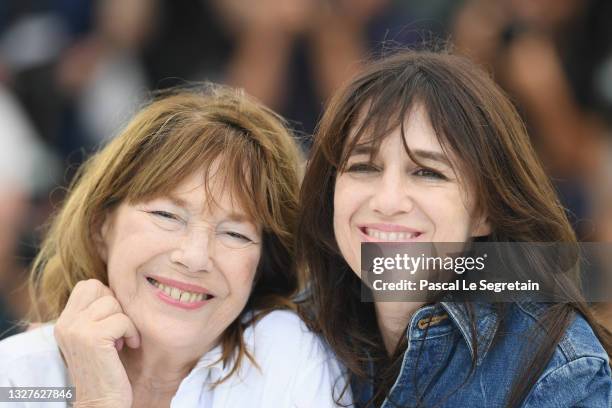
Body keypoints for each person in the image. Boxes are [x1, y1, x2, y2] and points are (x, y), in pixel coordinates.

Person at [0, 84, 348, 408]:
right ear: (100, 228)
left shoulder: (287, 359)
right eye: (167, 216)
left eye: (235, 234)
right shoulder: (18, 379)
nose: (195, 257)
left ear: (261, 267)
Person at [297, 50, 612, 407]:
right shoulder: (292, 329)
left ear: (485, 209)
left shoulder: (554, 368)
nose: (387, 200)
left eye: (427, 172)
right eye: (363, 167)